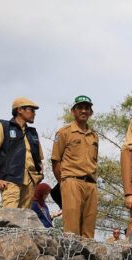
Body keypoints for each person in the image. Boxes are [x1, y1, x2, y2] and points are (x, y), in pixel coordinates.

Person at [51, 95, 99, 238]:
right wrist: (64, 183)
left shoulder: (94, 136)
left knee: (88, 231)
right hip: (71, 181)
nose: (84, 111)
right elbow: (55, 161)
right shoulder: (64, 132)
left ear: (91, 112)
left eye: (87, 108)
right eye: (80, 108)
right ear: (73, 111)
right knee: (71, 230)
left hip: (91, 184)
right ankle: (69, 259)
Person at [0, 97, 44, 208]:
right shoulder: (3, 126)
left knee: (24, 219)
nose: (34, 113)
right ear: (19, 110)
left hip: (31, 181)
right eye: (31, 110)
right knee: (10, 217)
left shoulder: (32, 133)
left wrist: (40, 175)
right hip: (10, 180)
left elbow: (39, 158)